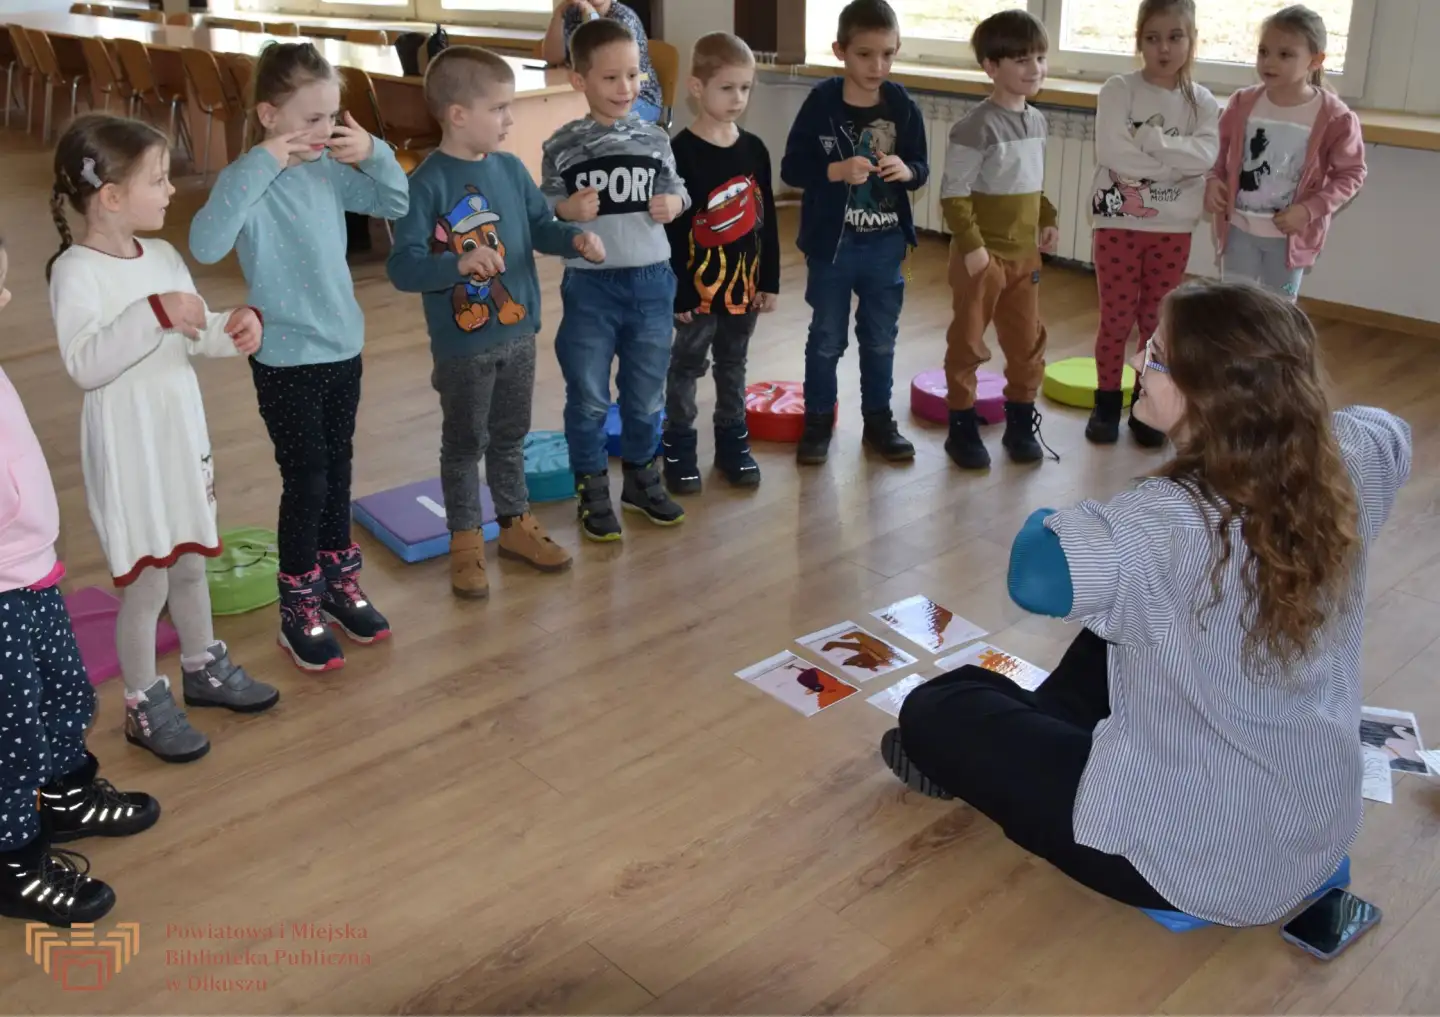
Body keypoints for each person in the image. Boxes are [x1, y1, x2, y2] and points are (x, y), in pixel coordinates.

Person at [882, 280, 1411, 928]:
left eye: (1157, 357)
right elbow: (1393, 429)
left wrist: (1058, 515)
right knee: (1122, 627)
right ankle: (1054, 729)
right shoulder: (1350, 458)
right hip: (1312, 822)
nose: (1137, 362)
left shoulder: (1167, 521)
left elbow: (1037, 578)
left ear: (1205, 394)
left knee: (941, 704)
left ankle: (1032, 738)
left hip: (1185, 857)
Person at [47, 114, 279, 764]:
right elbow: (86, 363)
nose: (172, 190)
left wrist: (233, 327)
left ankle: (203, 666)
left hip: (179, 435)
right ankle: (144, 701)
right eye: (158, 179)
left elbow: (194, 327)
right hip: (128, 448)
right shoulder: (76, 272)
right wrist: (151, 314)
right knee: (146, 583)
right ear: (112, 195)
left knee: (190, 561)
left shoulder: (165, 255)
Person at [190, 43, 409, 672]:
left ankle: (340, 584)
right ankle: (298, 605)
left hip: (344, 345)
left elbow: (396, 204)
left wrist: (376, 153)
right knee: (307, 474)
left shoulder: (326, 170)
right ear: (268, 115)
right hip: (284, 357)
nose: (325, 131)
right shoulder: (248, 180)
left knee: (337, 468)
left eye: (333, 117)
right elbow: (206, 246)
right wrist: (258, 165)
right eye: (311, 119)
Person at [387, 47, 605, 599]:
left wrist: (573, 237)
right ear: (458, 114)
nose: (510, 120)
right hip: (463, 345)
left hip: (518, 332)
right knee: (465, 444)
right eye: (501, 109)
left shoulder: (509, 169)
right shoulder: (427, 184)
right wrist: (455, 264)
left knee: (510, 437)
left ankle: (514, 526)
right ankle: (465, 541)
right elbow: (403, 266)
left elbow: (538, 228)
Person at [2, 237, 162, 926]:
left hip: (33, 570)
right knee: (9, 729)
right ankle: (14, 856)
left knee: (64, 687)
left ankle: (66, 790)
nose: (6, 298)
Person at [541, 17, 690, 542]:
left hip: (652, 282)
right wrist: (563, 206)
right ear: (580, 81)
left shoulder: (654, 138)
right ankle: (592, 488)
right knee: (587, 394)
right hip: (590, 287)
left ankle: (642, 480)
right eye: (610, 78)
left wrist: (674, 202)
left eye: (633, 76)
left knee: (646, 393)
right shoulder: (562, 143)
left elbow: (680, 190)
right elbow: (543, 212)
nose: (625, 88)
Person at [780, 0, 928, 467]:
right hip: (833, 247)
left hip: (885, 247)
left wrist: (908, 170)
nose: (877, 66)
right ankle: (818, 421)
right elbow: (791, 168)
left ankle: (879, 422)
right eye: (865, 54)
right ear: (840, 51)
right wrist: (836, 169)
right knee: (826, 338)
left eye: (888, 54)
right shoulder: (821, 102)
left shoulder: (902, 105)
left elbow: (921, 167)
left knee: (880, 338)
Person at [1086, 0, 1219, 447]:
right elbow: (1112, 153)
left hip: (1173, 229)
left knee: (1156, 322)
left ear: (1191, 40)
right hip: (1118, 224)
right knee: (1116, 318)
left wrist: (1150, 141)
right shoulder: (1118, 89)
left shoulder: (1200, 101)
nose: (1164, 48)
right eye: (1152, 37)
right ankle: (1106, 401)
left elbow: (1205, 158)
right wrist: (1174, 166)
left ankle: (1149, 404)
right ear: (1139, 40)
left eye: (1175, 37)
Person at [939, 9, 1059, 471]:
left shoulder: (1039, 122)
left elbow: (1033, 184)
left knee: (1026, 340)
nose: (1035, 69)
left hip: (1023, 256)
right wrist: (973, 250)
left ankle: (1020, 419)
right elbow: (954, 194)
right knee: (969, 342)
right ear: (992, 67)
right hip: (981, 258)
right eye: (1022, 59)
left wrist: (1046, 217)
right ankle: (962, 425)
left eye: (1041, 58)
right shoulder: (975, 127)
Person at [661, 32, 779, 496]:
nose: (738, 98)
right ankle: (680, 450)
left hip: (743, 289)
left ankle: (733, 445)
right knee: (686, 366)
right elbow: (672, 230)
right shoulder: (679, 152)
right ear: (696, 87)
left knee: (734, 363)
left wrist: (767, 279)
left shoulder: (754, 150)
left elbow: (764, 219)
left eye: (745, 88)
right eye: (727, 88)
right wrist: (681, 290)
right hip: (697, 292)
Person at [1205, 5, 1366, 301]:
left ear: (1315, 61)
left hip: (1289, 241)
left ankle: (1275, 351)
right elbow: (1217, 151)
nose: (1269, 62)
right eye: (1263, 51)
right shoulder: (1242, 103)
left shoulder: (1334, 117)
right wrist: (1213, 180)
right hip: (1239, 231)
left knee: (1278, 313)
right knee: (1234, 309)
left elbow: (1352, 174)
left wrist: (1309, 210)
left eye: (1285, 54)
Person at [541, 0, 664, 124]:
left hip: (637, 98)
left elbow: (605, 66)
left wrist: (592, 16)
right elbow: (552, 57)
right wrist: (559, 14)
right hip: (589, 95)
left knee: (589, 125)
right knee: (553, 117)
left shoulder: (623, 18)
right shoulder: (573, 14)